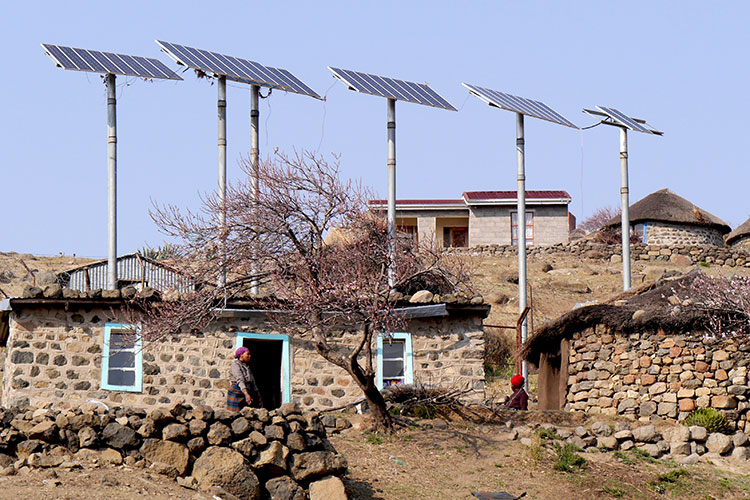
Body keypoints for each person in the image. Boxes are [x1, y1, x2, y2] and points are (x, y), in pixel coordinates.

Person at [227, 346, 263, 411]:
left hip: (247, 391)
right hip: (237, 392)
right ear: (241, 355)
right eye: (248, 354)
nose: (250, 356)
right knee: (235, 414)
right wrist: (246, 394)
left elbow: (253, 382)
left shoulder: (247, 367)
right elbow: (240, 380)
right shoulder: (235, 365)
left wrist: (258, 395)